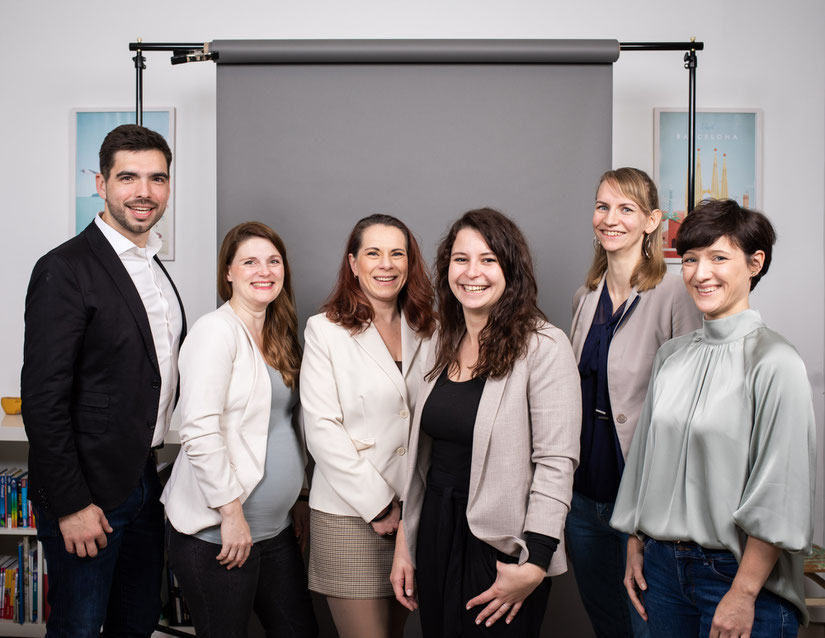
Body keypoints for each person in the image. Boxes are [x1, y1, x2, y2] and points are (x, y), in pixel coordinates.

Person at [611, 199, 816, 638]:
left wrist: (743, 592)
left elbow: (780, 491)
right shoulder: (671, 356)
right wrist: (635, 541)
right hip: (661, 571)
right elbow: (644, 460)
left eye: (718, 257)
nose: (700, 273)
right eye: (689, 259)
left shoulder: (776, 362)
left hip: (739, 575)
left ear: (755, 263)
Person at [21, 124, 185, 637]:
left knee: (134, 625)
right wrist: (71, 505)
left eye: (157, 178)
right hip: (87, 491)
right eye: (128, 177)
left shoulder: (153, 267)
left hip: (144, 479)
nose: (144, 192)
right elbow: (43, 399)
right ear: (101, 183)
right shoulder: (64, 268)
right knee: (79, 628)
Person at [391, 208, 581, 637]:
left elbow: (556, 462)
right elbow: (424, 461)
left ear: (510, 270)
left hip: (502, 546)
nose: (472, 272)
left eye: (488, 259)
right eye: (461, 259)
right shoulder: (442, 340)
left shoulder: (544, 347)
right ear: (447, 268)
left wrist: (535, 563)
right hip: (437, 532)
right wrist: (407, 540)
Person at [161, 222, 317, 637]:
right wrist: (231, 514)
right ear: (228, 272)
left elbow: (286, 425)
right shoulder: (215, 332)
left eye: (273, 261)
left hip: (275, 529)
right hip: (219, 534)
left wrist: (298, 494)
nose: (264, 270)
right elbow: (198, 430)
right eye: (250, 261)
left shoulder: (279, 335)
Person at [566, 168, 701, 637]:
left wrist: (646, 518)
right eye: (602, 206)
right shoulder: (585, 297)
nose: (610, 218)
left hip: (641, 501)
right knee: (607, 623)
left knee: (646, 626)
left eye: (626, 209)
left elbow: (691, 408)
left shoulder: (675, 294)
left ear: (652, 221)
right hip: (583, 499)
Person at [300, 214, 435, 638]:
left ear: (410, 263)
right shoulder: (325, 330)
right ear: (354, 263)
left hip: (416, 512)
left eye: (398, 253)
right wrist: (379, 505)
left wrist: (409, 509)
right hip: (351, 513)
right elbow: (321, 428)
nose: (386, 264)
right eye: (373, 253)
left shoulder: (431, 329)